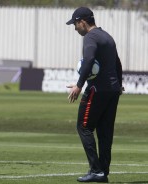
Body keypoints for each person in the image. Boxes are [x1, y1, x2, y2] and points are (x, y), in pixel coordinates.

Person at [66, 7, 123, 183]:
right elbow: (117, 62)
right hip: (113, 90)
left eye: (75, 24)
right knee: (105, 132)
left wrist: (79, 85)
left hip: (96, 90)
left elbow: (89, 60)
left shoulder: (90, 37)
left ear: (83, 21)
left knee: (84, 127)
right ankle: (103, 171)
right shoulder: (107, 36)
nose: (75, 28)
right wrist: (119, 84)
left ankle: (96, 170)